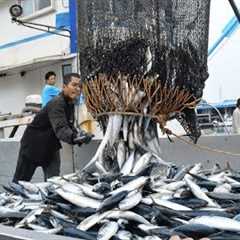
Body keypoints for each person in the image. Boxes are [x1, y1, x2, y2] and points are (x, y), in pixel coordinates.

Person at [13, 73, 93, 183]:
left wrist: (81, 136)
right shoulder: (57, 102)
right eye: (74, 85)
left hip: (50, 148)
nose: (78, 89)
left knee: (53, 185)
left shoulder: (70, 104)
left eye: (80, 86)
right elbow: (60, 129)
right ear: (64, 86)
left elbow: (68, 126)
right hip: (32, 147)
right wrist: (75, 137)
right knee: (18, 185)